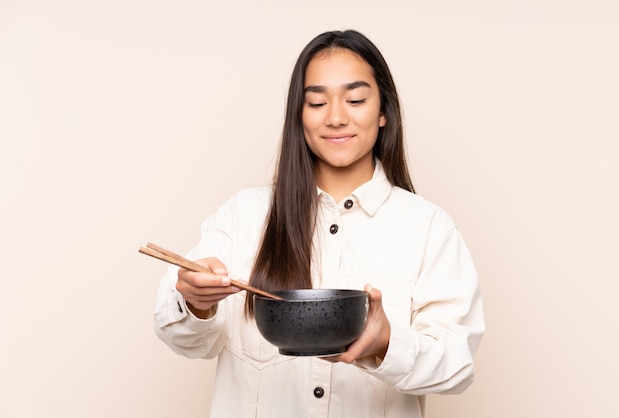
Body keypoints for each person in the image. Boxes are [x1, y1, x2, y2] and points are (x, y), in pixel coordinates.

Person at [154, 29, 484, 418]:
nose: (336, 117)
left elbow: (456, 366)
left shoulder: (429, 227)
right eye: (316, 102)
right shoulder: (243, 216)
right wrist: (196, 303)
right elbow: (183, 338)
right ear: (299, 114)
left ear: (383, 113)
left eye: (356, 99)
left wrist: (386, 344)